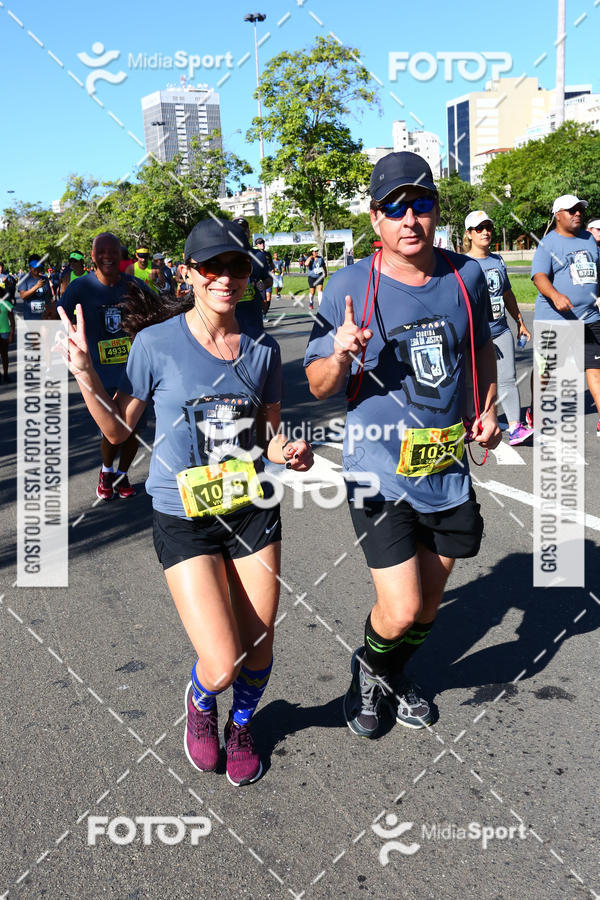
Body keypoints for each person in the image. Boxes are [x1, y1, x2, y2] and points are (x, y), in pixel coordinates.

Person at [57, 217, 313, 786]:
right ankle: (201, 703)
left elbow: (268, 435)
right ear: (188, 273)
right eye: (211, 266)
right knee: (221, 663)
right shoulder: (155, 344)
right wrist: (84, 373)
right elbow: (119, 431)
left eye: (236, 265)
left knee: (259, 649)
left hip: (251, 508)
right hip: (184, 517)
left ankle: (241, 725)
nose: (225, 277)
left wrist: (292, 450)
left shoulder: (264, 349)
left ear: (249, 273)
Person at [304, 151, 500, 738]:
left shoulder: (466, 277)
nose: (409, 218)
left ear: (437, 209)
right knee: (402, 608)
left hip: (445, 468)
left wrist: (488, 408)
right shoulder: (348, 286)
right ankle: (369, 673)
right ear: (375, 218)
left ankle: (390, 671)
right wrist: (340, 353)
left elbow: (481, 349)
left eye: (421, 203)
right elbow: (318, 385)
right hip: (377, 472)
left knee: (429, 606)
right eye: (394, 208)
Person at [57, 233, 148, 500]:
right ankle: (107, 471)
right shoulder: (80, 287)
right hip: (98, 374)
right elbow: (60, 317)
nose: (108, 256)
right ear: (93, 256)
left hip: (134, 372)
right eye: (102, 251)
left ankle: (122, 474)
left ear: (120, 255)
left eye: (113, 251)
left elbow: (159, 313)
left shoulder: (134, 285)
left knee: (134, 430)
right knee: (112, 431)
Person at [531, 194, 600, 435]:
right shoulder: (548, 243)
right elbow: (539, 276)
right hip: (554, 319)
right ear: (558, 215)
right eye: (572, 210)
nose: (578, 213)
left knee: (595, 370)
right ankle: (536, 412)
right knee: (545, 371)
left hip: (589, 318)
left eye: (580, 209)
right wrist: (555, 295)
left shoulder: (589, 239)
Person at [465, 211, 533, 446]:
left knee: (507, 379)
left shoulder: (498, 261)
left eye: (488, 227)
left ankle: (515, 427)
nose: (485, 232)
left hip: (500, 329)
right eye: (479, 228)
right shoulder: (463, 264)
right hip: (475, 334)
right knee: (472, 382)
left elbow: (507, 293)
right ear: (469, 234)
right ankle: (473, 423)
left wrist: (520, 321)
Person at [231, 219, 271, 334]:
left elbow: (269, 279)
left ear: (248, 233)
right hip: (231, 311)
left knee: (257, 341)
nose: (242, 233)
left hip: (253, 311)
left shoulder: (259, 255)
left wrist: (263, 284)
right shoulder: (225, 255)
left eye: (245, 230)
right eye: (238, 230)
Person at [0, 272, 15, 383]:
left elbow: (12, 321)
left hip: (5, 332)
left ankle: (5, 375)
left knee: (4, 355)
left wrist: (11, 334)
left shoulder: (6, 304)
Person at [254, 238, 274, 314]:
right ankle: (261, 313)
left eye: (263, 243)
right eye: (260, 243)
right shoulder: (255, 254)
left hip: (267, 278)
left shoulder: (267, 254)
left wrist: (273, 269)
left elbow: (271, 264)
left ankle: (264, 313)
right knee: (263, 299)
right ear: (256, 245)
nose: (262, 244)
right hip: (259, 278)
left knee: (268, 298)